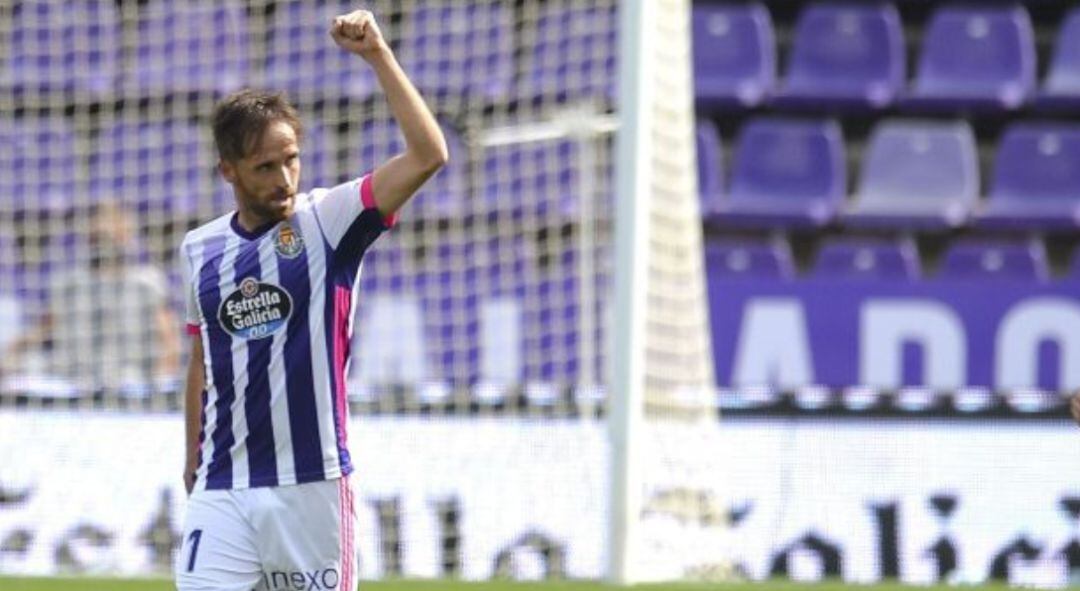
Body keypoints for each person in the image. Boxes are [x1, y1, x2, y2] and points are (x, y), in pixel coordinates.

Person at [175, 8, 446, 591]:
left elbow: (428, 155)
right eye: (265, 166)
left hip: (313, 487)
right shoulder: (200, 250)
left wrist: (378, 55)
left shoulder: (331, 220)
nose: (284, 178)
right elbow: (203, 361)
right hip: (224, 486)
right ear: (229, 171)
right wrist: (191, 455)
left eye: (291, 159)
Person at [1, 201, 180, 394]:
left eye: (111, 233)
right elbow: (45, 329)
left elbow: (169, 344)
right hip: (74, 383)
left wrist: (159, 384)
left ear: (126, 236)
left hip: (132, 384)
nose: (104, 241)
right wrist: (12, 352)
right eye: (98, 235)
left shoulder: (148, 283)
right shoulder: (69, 284)